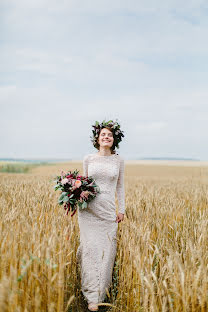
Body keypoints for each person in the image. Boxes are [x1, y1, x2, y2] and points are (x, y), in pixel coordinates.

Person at [76, 119, 125, 311]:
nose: (106, 137)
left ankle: (101, 293)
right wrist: (77, 193)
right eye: (103, 134)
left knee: (106, 251)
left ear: (114, 139)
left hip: (107, 211)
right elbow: (84, 183)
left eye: (110, 135)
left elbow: (120, 186)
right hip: (88, 210)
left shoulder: (118, 160)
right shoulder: (88, 158)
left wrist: (122, 209)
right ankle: (91, 297)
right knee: (89, 250)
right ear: (97, 138)